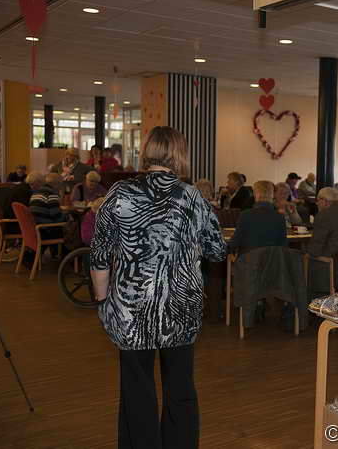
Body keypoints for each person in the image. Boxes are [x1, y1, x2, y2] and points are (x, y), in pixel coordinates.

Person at [90, 126, 226, 449]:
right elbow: (217, 250)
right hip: (181, 306)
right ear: (180, 154)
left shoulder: (120, 193)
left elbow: (99, 254)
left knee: (136, 389)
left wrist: (102, 300)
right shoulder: (192, 196)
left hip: (131, 308)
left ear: (147, 151)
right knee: (180, 387)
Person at [229, 181, 287, 253]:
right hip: (272, 258)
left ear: (255, 194)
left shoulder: (245, 215)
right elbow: (283, 245)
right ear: (273, 195)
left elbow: (235, 243)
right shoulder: (280, 217)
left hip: (249, 258)